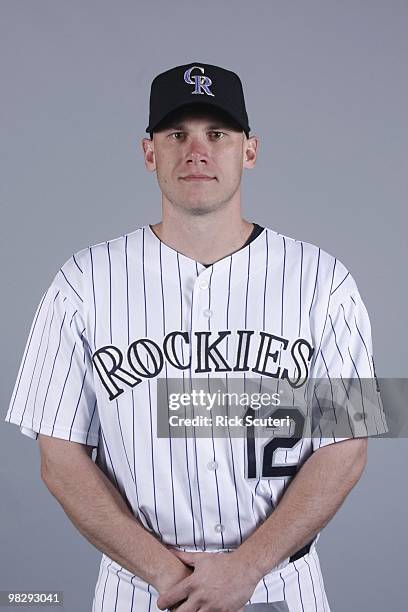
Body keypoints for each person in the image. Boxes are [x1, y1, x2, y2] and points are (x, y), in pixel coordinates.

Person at [5, 61, 387, 612]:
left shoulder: (324, 280)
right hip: (140, 590)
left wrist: (249, 565)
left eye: (218, 134)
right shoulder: (82, 282)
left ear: (249, 150)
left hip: (279, 586)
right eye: (176, 134)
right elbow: (58, 456)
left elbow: (348, 444)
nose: (196, 151)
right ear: (148, 152)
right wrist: (169, 575)